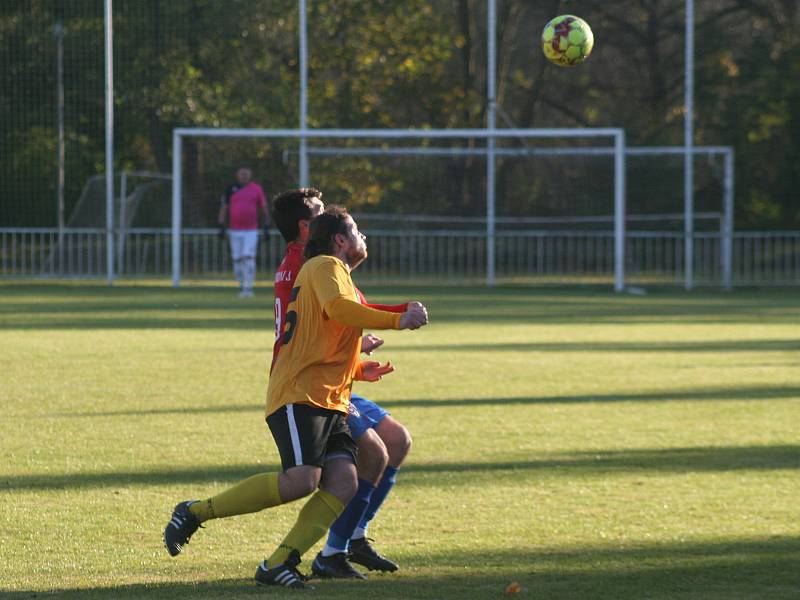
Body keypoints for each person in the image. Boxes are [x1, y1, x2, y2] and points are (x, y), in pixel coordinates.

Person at [163, 206, 428, 590]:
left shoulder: (333, 275)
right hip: (300, 394)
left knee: (342, 483)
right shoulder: (325, 266)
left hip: (329, 399)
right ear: (340, 240)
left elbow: (320, 336)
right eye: (357, 231)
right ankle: (194, 512)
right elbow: (338, 311)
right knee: (303, 480)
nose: (363, 237)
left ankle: (279, 562)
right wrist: (397, 318)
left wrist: (355, 368)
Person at [270, 189, 413, 580]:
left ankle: (353, 538)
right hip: (311, 384)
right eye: (320, 215)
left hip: (334, 375)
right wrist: (402, 315)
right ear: (308, 227)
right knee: (364, 457)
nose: (327, 220)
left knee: (396, 441)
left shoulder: (312, 264)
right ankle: (332, 550)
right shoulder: (313, 264)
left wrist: (356, 349)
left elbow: (340, 317)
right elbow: (339, 313)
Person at [217, 167, 269, 297]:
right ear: (237, 175)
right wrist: (221, 225)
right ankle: (241, 286)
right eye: (242, 174)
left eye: (246, 174)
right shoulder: (230, 189)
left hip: (251, 230)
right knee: (237, 259)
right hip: (234, 230)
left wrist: (266, 225)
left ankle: (248, 288)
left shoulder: (256, 189)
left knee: (248, 257)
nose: (244, 176)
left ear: (250, 176)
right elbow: (224, 207)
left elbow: (264, 207)